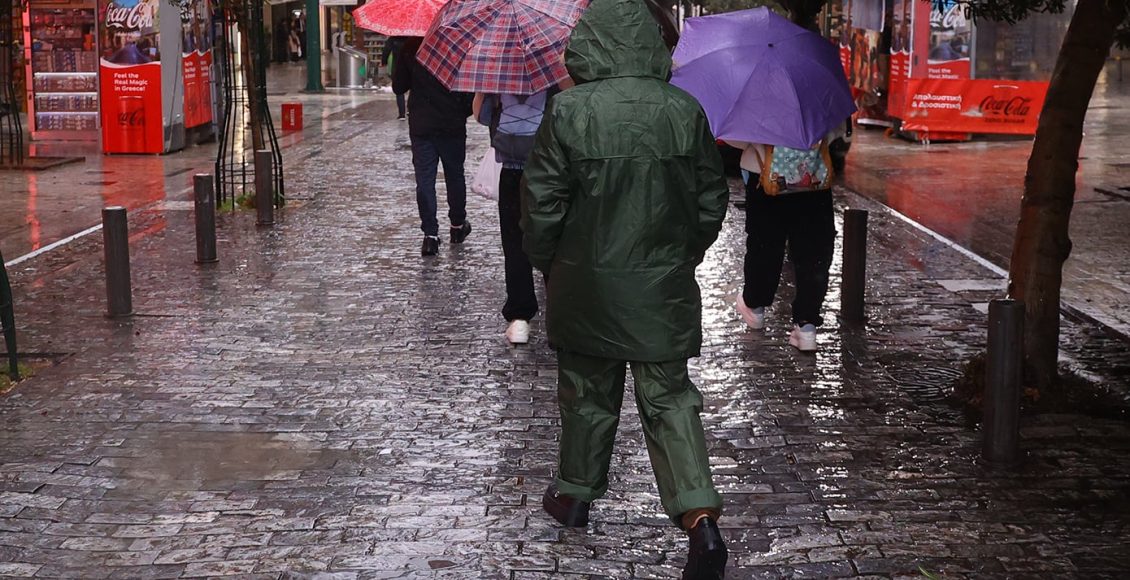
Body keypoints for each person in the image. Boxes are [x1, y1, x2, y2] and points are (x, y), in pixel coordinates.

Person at [521, 0, 729, 577]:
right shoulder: (683, 110)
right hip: (661, 283)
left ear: (588, 43)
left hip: (586, 280)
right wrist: (681, 254)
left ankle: (574, 494)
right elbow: (711, 199)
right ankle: (700, 520)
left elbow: (541, 205)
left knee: (587, 391)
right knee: (670, 400)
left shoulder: (568, 111)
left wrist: (550, 263)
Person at [730, 124, 846, 352]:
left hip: (763, 174)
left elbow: (737, 136)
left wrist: (759, 146)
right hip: (813, 176)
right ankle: (807, 325)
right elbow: (839, 128)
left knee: (765, 243)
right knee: (813, 249)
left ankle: (755, 306)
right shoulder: (818, 99)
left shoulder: (759, 100)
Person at [472, 86, 563, 344]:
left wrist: (483, 89)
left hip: (512, 170)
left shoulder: (499, 76)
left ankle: (520, 317)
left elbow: (481, 116)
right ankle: (559, 312)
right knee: (552, 239)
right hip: (547, 170)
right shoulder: (552, 77)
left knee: (514, 244)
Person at [392, 37, 474, 256]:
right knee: (455, 175)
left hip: (422, 124)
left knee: (425, 180)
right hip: (452, 123)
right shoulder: (458, 44)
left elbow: (398, 86)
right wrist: (460, 110)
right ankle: (457, 226)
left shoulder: (411, 46)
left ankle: (430, 235)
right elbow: (469, 88)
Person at [381, 36, 407, 119]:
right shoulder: (412, 38)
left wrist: (384, 61)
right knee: (413, 89)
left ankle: (402, 114)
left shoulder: (393, 38)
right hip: (410, 66)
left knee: (399, 90)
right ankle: (411, 110)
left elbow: (386, 50)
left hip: (397, 66)